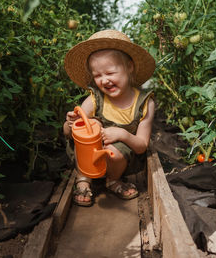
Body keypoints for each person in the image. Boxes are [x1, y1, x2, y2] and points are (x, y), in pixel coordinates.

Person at [63, 30, 156, 207]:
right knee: (90, 126)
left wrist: (122, 134)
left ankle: (113, 181)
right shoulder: (94, 99)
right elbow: (68, 134)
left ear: (130, 67)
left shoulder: (145, 103)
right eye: (97, 76)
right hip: (88, 159)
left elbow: (141, 146)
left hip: (119, 162)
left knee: (115, 148)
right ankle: (84, 178)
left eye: (110, 72)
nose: (104, 80)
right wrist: (70, 124)